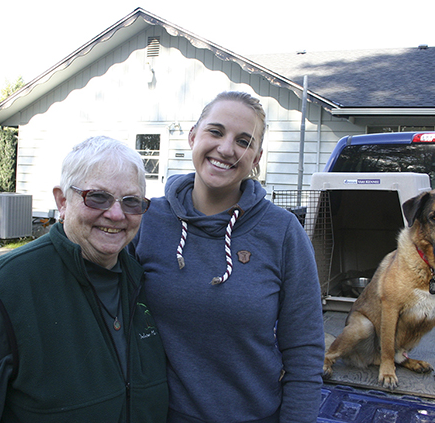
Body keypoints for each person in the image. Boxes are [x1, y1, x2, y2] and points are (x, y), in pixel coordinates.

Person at [129, 91, 325, 422]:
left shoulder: (282, 232)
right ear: (193, 136)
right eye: (215, 132)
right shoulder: (147, 220)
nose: (226, 148)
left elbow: (304, 350)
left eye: (243, 141)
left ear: (257, 157)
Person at [0, 136, 169, 422]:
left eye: (131, 202)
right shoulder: (5, 293)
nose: (116, 214)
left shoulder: (142, 281)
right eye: (98, 197)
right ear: (63, 201)